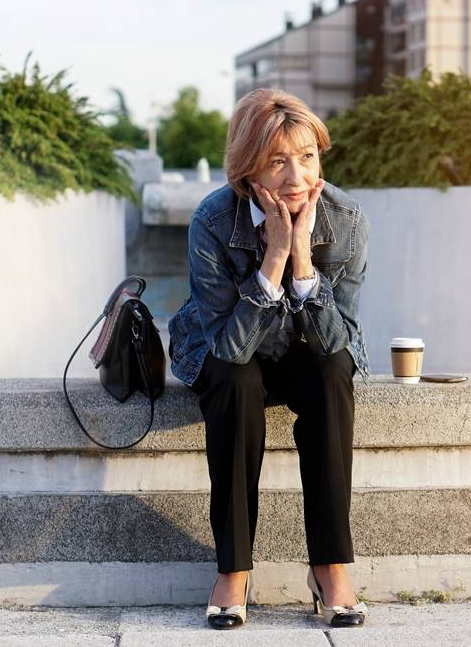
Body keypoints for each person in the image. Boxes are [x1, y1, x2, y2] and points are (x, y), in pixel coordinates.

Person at [167, 89, 370, 630]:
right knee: (235, 380)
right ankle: (233, 571)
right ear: (247, 167)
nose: (296, 177)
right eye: (278, 161)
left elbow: (337, 343)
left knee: (331, 375)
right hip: (230, 350)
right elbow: (227, 348)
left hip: (307, 349)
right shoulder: (212, 220)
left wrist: (302, 260)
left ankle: (329, 566)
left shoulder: (346, 218)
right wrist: (274, 258)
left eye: (307, 157)